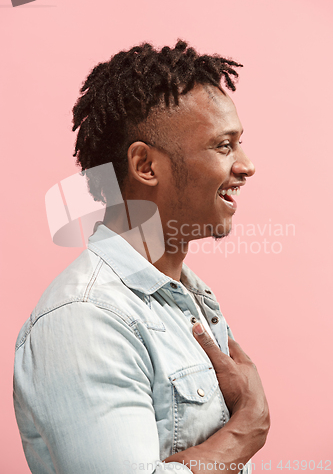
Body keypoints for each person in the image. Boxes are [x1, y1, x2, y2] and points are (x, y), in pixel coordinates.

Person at [13, 40, 270, 474]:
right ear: (146, 166)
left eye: (239, 142)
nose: (247, 166)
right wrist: (245, 431)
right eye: (224, 146)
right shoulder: (86, 317)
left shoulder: (188, 299)